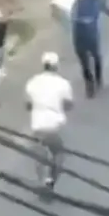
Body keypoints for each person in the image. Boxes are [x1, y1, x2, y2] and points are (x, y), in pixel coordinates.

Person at [24, 51, 73, 189]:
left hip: (37, 125)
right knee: (58, 153)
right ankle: (51, 180)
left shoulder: (32, 82)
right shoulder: (63, 83)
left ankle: (41, 181)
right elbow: (68, 105)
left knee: (40, 155)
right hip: (53, 126)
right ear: (56, 66)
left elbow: (28, 105)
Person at [72, 0, 109, 97]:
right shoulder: (99, 0)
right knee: (95, 56)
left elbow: (74, 14)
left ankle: (90, 82)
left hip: (79, 30)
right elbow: (108, 11)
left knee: (85, 59)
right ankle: (97, 79)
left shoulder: (80, 0)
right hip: (89, 31)